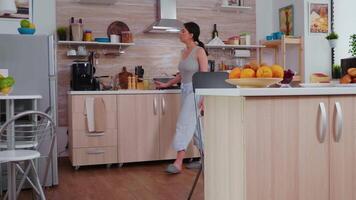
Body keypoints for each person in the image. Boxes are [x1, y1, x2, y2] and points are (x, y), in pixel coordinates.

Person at [155, 22, 208, 174]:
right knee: (196, 126)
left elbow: (203, 74)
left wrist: (203, 98)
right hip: (185, 90)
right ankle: (206, 159)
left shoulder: (200, 51)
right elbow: (181, 75)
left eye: (183, 31)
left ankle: (178, 162)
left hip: (195, 91)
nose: (180, 33)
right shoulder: (183, 52)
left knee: (183, 124)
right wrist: (167, 84)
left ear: (191, 34)